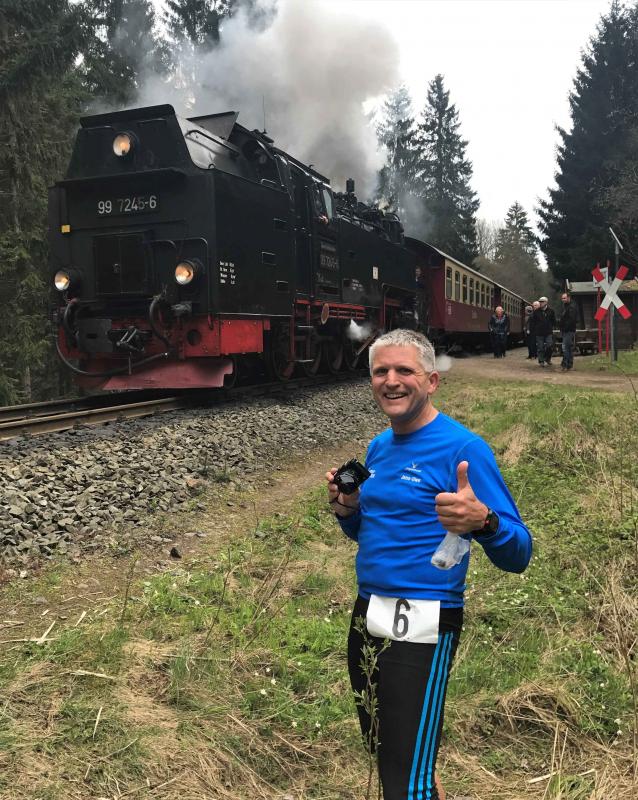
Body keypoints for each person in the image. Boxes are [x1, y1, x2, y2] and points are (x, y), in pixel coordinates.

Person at [326, 329, 532, 800]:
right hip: (368, 614)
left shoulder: (463, 450)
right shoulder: (379, 448)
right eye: (381, 371)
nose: (391, 381)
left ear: (432, 381)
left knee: (406, 778)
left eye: (405, 370)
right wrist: (348, 511)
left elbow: (520, 552)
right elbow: (371, 534)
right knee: (388, 753)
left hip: (424, 621)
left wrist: (485, 522)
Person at [532, 296, 556, 367]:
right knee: (540, 347)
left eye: (542, 302)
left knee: (549, 346)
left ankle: (547, 359)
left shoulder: (551, 311)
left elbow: (553, 321)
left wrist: (552, 327)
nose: (540, 303)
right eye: (540, 302)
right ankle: (541, 361)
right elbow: (533, 322)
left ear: (546, 302)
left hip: (548, 332)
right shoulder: (536, 312)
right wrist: (535, 329)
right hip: (539, 332)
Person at [558, 292, 578, 371]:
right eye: (562, 298)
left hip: (569, 330)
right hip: (566, 330)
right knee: (568, 347)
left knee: (565, 347)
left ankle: (565, 365)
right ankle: (569, 364)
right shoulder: (566, 306)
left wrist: (565, 327)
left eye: (564, 298)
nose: (563, 300)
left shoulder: (572, 307)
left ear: (568, 298)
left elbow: (571, 320)